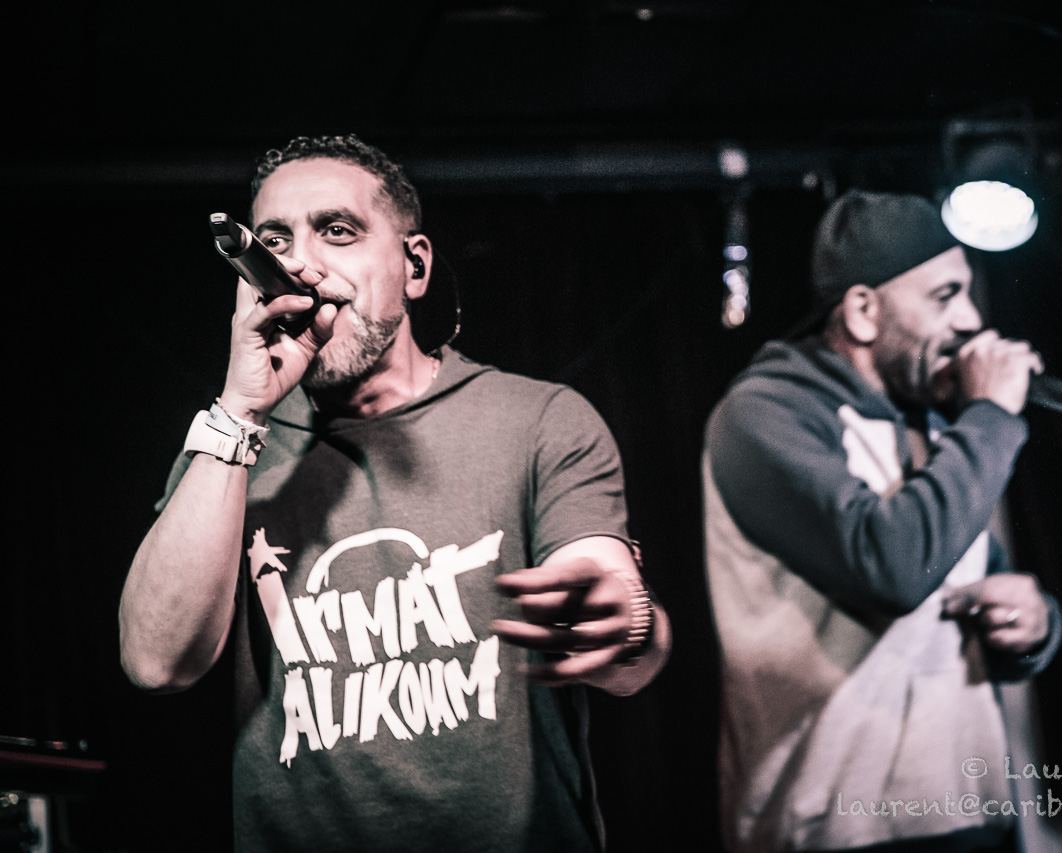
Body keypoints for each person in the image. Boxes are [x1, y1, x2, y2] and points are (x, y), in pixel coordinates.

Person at [119, 135, 670, 852]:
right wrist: (240, 411)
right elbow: (156, 663)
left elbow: (626, 646)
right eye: (275, 240)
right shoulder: (231, 449)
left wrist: (627, 622)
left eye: (337, 231)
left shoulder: (536, 420)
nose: (300, 265)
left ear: (414, 267)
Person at [703, 189, 1062, 852]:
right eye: (946, 295)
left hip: (970, 812)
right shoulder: (762, 416)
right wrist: (991, 417)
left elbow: (969, 575)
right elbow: (893, 567)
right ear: (864, 311)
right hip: (838, 829)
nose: (972, 319)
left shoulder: (937, 421)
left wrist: (1032, 623)